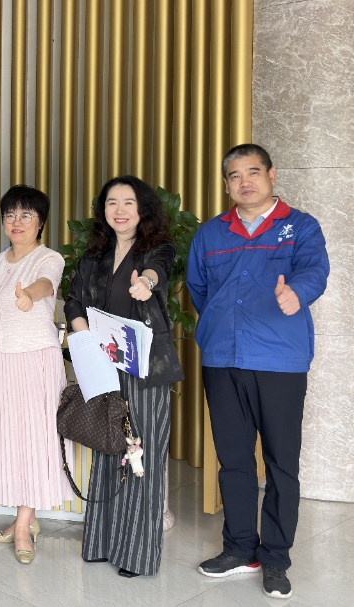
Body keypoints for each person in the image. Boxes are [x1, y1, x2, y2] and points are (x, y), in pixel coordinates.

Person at [187, 144, 329, 600]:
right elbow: (199, 289)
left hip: (279, 360)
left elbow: (315, 270)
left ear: (271, 175)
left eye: (253, 172)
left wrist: (297, 293)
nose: (244, 182)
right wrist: (221, 324)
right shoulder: (211, 233)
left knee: (281, 463)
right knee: (233, 460)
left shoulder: (299, 226)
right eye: (234, 175)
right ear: (227, 184)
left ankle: (276, 558)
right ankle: (239, 548)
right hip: (222, 359)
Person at [64, 175, 184, 578]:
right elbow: (73, 300)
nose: (119, 210)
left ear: (142, 208)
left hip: (145, 368)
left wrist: (145, 285)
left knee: (141, 455)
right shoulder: (93, 254)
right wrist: (84, 336)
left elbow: (156, 271)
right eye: (112, 202)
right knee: (108, 448)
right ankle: (101, 543)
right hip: (104, 365)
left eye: (128, 202)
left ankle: (136, 554)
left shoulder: (157, 247)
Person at [0, 185, 71, 564]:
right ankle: (23, 519)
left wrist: (29, 294)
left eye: (26, 215)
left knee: (34, 438)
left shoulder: (50, 258)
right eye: (10, 215)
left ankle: (22, 527)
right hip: (0, 360)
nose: (17, 222)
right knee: (10, 438)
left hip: (35, 360)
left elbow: (46, 284)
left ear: (40, 222)